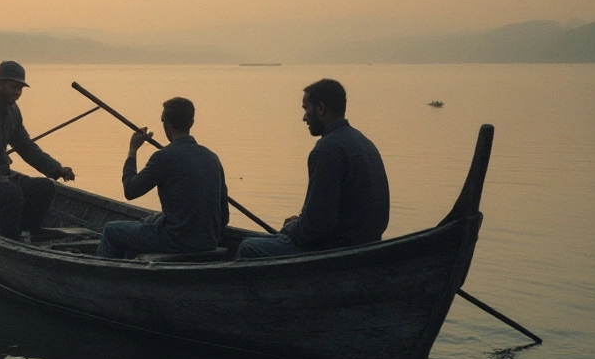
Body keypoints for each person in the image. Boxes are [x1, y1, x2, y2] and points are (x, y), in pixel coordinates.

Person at [237, 78, 390, 259]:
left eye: (305, 109)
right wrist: (299, 223)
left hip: (335, 252)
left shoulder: (326, 150)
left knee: (248, 247)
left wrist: (290, 229)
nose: (304, 117)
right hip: (367, 246)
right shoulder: (365, 143)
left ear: (320, 109)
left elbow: (318, 226)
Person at [0, 61, 76, 240]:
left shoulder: (12, 110)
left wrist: (56, 169)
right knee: (12, 194)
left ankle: (31, 230)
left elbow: (26, 147)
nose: (17, 92)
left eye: (20, 88)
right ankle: (10, 239)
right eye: (13, 87)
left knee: (45, 187)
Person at [96, 97, 229, 259]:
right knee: (152, 220)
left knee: (111, 231)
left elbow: (130, 191)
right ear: (191, 122)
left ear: (167, 124)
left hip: (177, 242)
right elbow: (224, 215)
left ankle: (107, 278)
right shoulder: (212, 158)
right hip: (209, 241)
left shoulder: (163, 157)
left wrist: (133, 150)